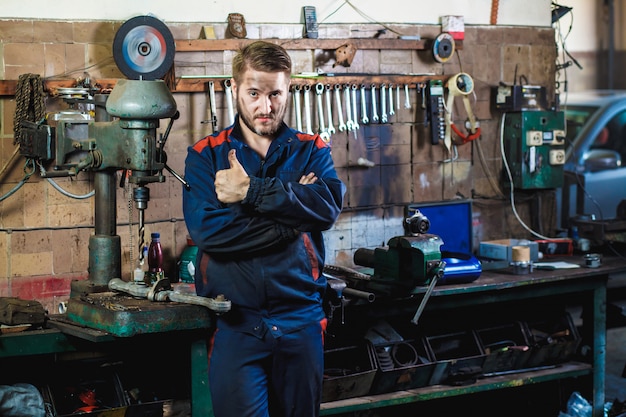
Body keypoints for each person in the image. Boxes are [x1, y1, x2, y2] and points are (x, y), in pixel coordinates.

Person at [182, 40, 345, 417]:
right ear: (234, 88)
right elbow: (211, 233)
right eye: (254, 93)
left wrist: (250, 191)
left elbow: (327, 209)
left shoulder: (311, 150)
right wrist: (291, 221)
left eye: (275, 94)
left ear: (288, 90)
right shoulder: (206, 155)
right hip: (237, 323)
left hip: (300, 320)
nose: (265, 106)